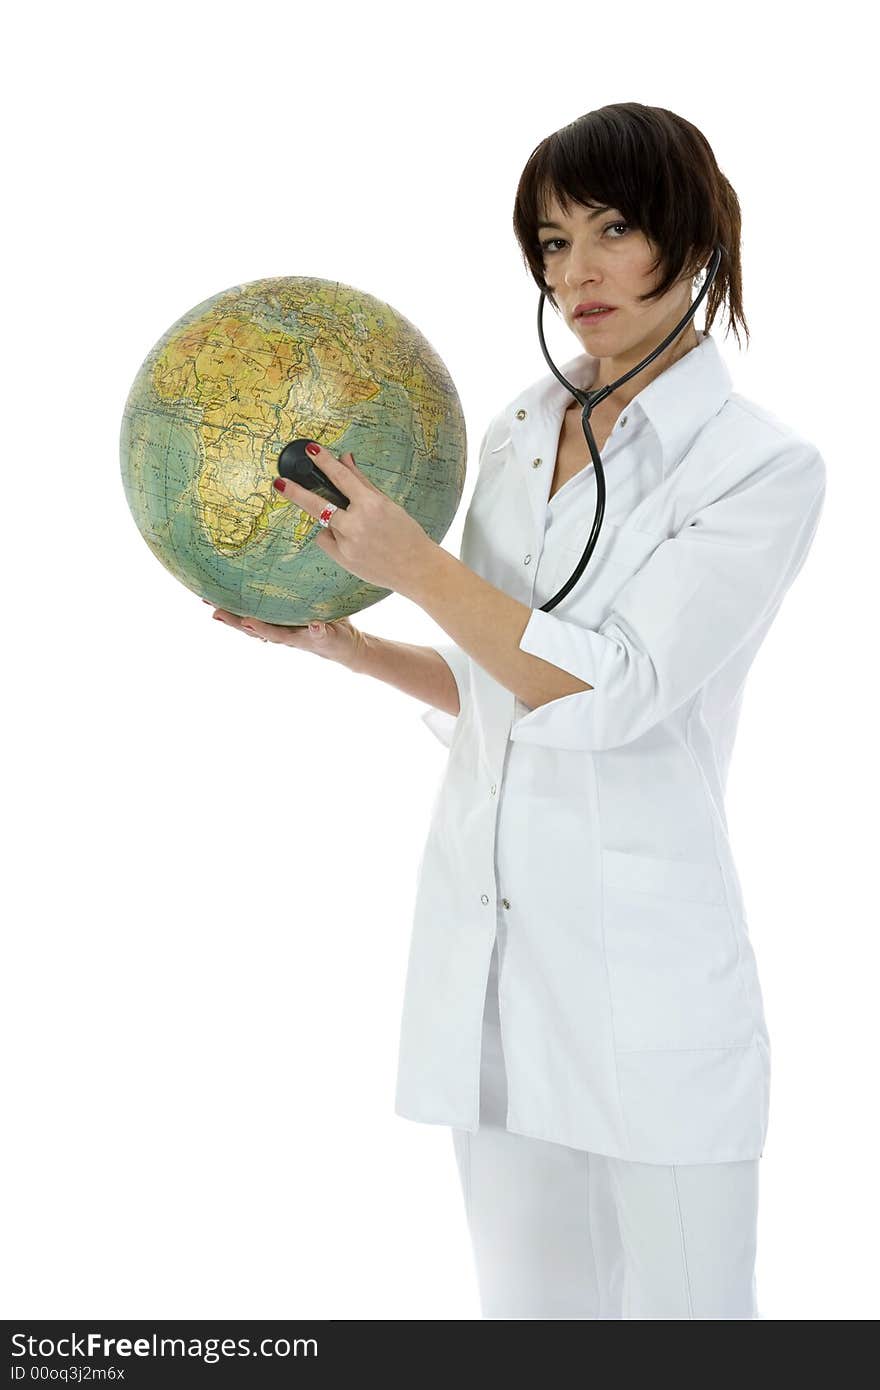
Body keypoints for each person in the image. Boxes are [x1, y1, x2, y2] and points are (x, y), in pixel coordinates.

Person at [209, 103, 826, 1319]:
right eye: (550, 241)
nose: (576, 271)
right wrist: (355, 645)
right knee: (530, 1329)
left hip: (647, 984)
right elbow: (505, 689)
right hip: (494, 972)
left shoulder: (759, 468)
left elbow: (617, 693)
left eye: (611, 228)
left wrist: (416, 569)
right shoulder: (512, 429)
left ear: (692, 239)